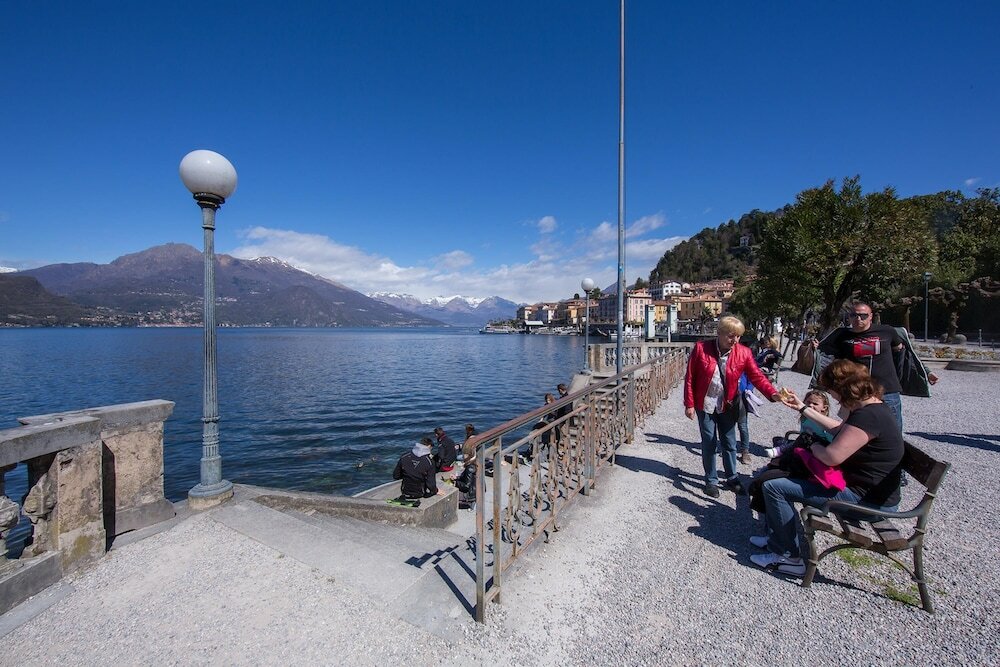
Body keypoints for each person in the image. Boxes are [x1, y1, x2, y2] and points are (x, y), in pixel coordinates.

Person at [749, 359, 904, 576]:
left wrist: (812, 445)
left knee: (774, 487)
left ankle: (788, 557)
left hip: (868, 501)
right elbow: (839, 430)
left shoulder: (868, 416)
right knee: (778, 477)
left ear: (844, 388)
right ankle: (777, 539)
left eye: (832, 392)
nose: (833, 397)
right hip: (867, 492)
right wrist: (802, 408)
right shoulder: (873, 408)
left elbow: (831, 457)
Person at [684, 315, 781, 498]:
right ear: (719, 333)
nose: (735, 340)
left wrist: (772, 393)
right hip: (705, 403)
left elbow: (757, 376)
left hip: (727, 404)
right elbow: (690, 378)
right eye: (730, 336)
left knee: (729, 442)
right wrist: (689, 404)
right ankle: (711, 480)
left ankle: (732, 477)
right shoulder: (701, 349)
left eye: (738, 336)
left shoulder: (743, 352)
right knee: (709, 442)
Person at [814, 300, 938, 432]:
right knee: (856, 429)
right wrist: (814, 350)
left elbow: (906, 355)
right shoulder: (841, 335)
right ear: (849, 317)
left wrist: (926, 372)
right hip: (857, 391)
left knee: (893, 430)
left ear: (871, 316)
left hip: (888, 390)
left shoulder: (887, 331)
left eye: (863, 315)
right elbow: (827, 357)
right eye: (854, 315)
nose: (858, 319)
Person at [392, 437, 438, 504]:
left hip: (405, 491)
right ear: (429, 447)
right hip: (420, 494)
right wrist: (435, 491)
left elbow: (396, 476)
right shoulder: (429, 462)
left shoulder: (404, 456)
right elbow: (431, 484)